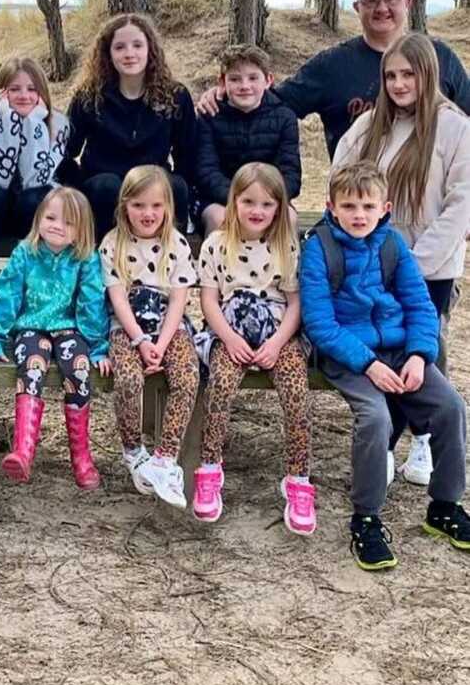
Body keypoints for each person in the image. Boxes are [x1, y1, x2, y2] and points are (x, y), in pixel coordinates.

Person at [300, 162, 468, 571]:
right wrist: (368, 363)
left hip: (399, 351)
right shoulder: (319, 248)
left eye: (367, 205)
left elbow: (420, 306)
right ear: (331, 207)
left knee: (450, 407)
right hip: (348, 355)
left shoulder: (394, 245)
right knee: (374, 417)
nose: (359, 214)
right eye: (349, 205)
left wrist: (418, 354)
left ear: (384, 207)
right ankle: (367, 518)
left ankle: (444, 506)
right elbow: (320, 323)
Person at [333, 33, 470, 488]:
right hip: (374, 259)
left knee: (426, 346)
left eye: (408, 74)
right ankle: (388, 440)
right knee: (386, 346)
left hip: (428, 262)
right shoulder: (372, 124)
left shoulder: (454, 128)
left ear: (428, 73)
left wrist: (413, 260)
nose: (398, 83)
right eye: (390, 75)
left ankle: (427, 439)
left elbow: (461, 202)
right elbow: (340, 174)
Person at [196, 0, 470, 158]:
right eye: (370, 0)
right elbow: (274, 103)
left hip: (428, 193)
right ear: (356, 8)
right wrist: (225, 95)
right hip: (356, 202)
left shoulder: (440, 57)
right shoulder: (332, 65)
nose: (382, 8)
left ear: (408, 2)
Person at [193, 163, 315, 536]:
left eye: (266, 203)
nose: (257, 210)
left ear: (279, 207)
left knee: (296, 392)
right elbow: (209, 300)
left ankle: (298, 479)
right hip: (230, 331)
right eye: (248, 201)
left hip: (279, 333)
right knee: (221, 386)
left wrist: (278, 343)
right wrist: (228, 338)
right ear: (234, 201)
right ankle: (210, 470)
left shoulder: (287, 245)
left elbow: (295, 303)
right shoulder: (217, 243)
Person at [0, 185, 109, 489]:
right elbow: (6, 294)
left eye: (68, 222)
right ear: (38, 219)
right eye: (50, 217)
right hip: (31, 327)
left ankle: (81, 456)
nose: (57, 226)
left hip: (69, 328)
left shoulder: (85, 258)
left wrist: (97, 346)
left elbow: (91, 302)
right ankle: (23, 451)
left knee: (79, 369)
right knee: (32, 368)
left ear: (81, 230)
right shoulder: (25, 252)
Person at [100, 166, 202, 509]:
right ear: (124, 206)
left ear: (168, 207)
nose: (148, 214)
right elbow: (117, 299)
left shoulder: (176, 243)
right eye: (139, 205)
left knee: (187, 376)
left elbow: (178, 299)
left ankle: (165, 458)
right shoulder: (113, 244)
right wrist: (141, 340)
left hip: (169, 327)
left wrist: (161, 342)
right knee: (128, 378)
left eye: (156, 206)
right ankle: (133, 450)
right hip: (127, 326)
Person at [57, 13, 197, 240]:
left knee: (176, 187)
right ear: (108, 54)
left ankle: (170, 265)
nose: (129, 53)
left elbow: (187, 154)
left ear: (150, 50)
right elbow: (64, 151)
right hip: (103, 187)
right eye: (120, 47)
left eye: (137, 45)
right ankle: (103, 268)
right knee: (107, 187)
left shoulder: (175, 96)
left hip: (152, 184)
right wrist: (78, 187)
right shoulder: (89, 97)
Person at [0, 56, 68, 327]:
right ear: (1, 92)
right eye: (15, 88)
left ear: (42, 93)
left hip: (31, 212)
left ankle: (30, 302)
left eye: (32, 89)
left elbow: (38, 178)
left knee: (35, 199)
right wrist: (6, 122)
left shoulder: (58, 124)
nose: (24, 95)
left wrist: (34, 124)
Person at [195, 44, 300, 234]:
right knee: (219, 218)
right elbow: (206, 172)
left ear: (268, 80)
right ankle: (219, 264)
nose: (245, 86)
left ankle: (284, 264)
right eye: (235, 79)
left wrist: (263, 200)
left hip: (270, 199)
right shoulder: (209, 116)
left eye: (253, 78)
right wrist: (242, 200)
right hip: (222, 200)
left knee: (289, 218)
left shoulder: (285, 117)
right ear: (222, 82)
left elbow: (291, 174)